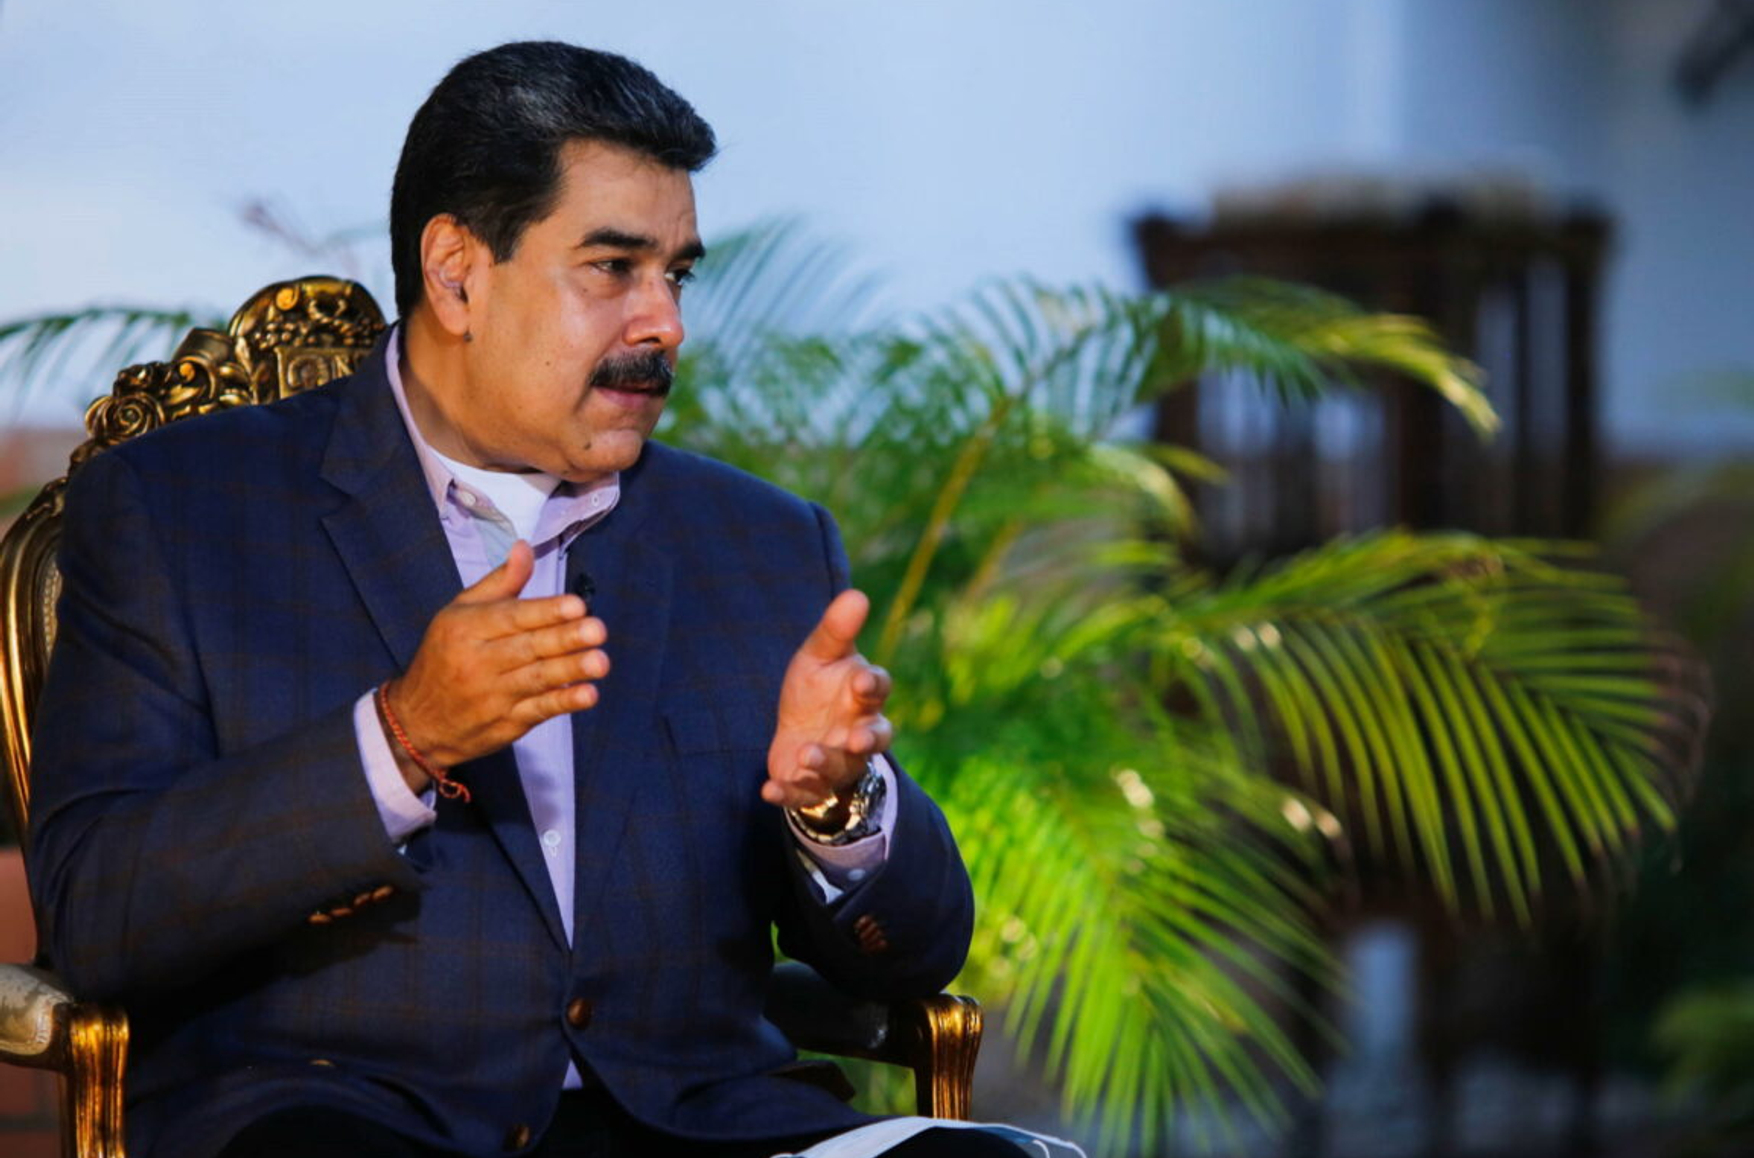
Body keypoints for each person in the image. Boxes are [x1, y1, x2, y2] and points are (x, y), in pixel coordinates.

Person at [26, 41, 1062, 1158]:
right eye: (612, 267)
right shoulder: (185, 512)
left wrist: (838, 809)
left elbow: (916, 954)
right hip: (347, 1120)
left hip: (704, 1126)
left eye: (677, 275)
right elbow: (98, 915)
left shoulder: (760, 543)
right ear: (457, 274)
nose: (664, 323)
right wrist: (402, 737)